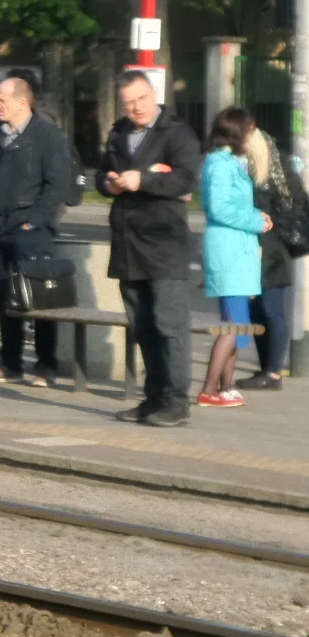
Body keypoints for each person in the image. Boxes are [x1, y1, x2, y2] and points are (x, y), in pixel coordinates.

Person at [103, 70, 202, 427]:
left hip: (164, 243)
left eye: (142, 100)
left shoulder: (176, 132)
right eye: (129, 102)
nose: (136, 108)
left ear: (154, 95)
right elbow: (104, 173)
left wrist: (144, 179)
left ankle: (177, 401)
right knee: (142, 325)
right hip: (128, 243)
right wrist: (110, 183)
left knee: (169, 323)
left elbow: (188, 178)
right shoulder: (119, 132)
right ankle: (153, 397)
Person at [0, 75, 76, 386]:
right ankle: (9, 363)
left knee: (40, 298)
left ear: (21, 102)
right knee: (4, 298)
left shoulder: (48, 137)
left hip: (30, 230)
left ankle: (46, 365)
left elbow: (57, 184)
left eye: (1, 100)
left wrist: (36, 220)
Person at [196, 109, 269, 409]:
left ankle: (226, 387)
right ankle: (209, 389)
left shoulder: (232, 163)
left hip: (238, 250)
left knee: (234, 322)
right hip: (229, 251)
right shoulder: (220, 164)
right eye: (250, 130)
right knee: (234, 325)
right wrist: (255, 220)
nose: (254, 136)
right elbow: (221, 209)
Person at [245, 124, 304, 392]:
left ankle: (274, 372)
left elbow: (295, 203)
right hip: (255, 243)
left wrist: (273, 224)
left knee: (272, 308)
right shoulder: (243, 163)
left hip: (275, 246)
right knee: (257, 309)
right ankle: (265, 369)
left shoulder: (276, 161)